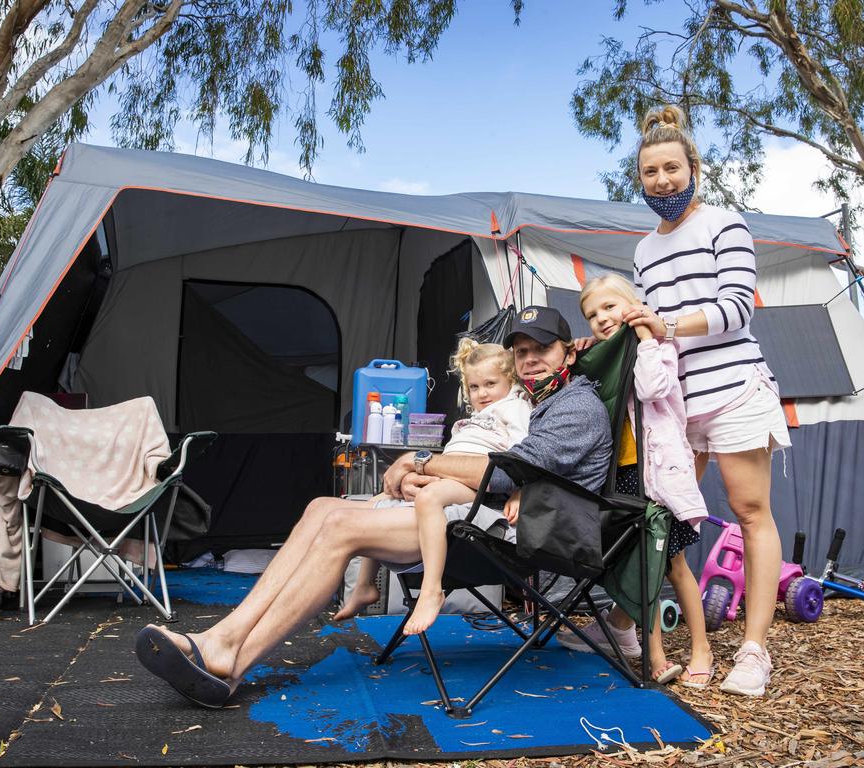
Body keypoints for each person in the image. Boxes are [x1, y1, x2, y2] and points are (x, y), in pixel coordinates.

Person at [134, 306, 612, 708]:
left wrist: (421, 460)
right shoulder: (536, 400)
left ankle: (231, 662)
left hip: (523, 532)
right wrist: (419, 467)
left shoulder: (575, 407)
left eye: (542, 350)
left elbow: (507, 471)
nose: (530, 361)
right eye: (522, 352)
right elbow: (494, 461)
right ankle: (223, 637)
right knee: (323, 506)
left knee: (342, 524)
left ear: (567, 352)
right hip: (481, 511)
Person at [597, 104, 790, 698]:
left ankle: (754, 652)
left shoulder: (724, 224)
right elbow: (646, 331)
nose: (662, 181)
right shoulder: (643, 252)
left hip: (734, 388)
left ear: (693, 167)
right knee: (662, 516)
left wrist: (666, 323)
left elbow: (738, 307)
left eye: (671, 168)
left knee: (749, 510)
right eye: (650, 172)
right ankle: (627, 624)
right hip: (675, 406)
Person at [559, 274, 713, 687]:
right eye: (592, 315)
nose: (601, 319)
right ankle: (650, 651)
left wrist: (646, 337)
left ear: (633, 304)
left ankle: (702, 649)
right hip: (623, 475)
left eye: (609, 307)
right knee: (643, 563)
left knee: (675, 563)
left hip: (657, 473)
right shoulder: (606, 354)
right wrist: (583, 354)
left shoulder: (658, 347)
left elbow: (650, 388)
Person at [335, 338, 531, 635]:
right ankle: (364, 586)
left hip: (481, 483)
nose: (482, 393)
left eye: (491, 383)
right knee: (376, 501)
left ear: (510, 380)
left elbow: (525, 454)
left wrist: (520, 491)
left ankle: (431, 589)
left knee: (430, 497)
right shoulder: (477, 416)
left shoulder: (515, 406)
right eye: (475, 387)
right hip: (450, 473)